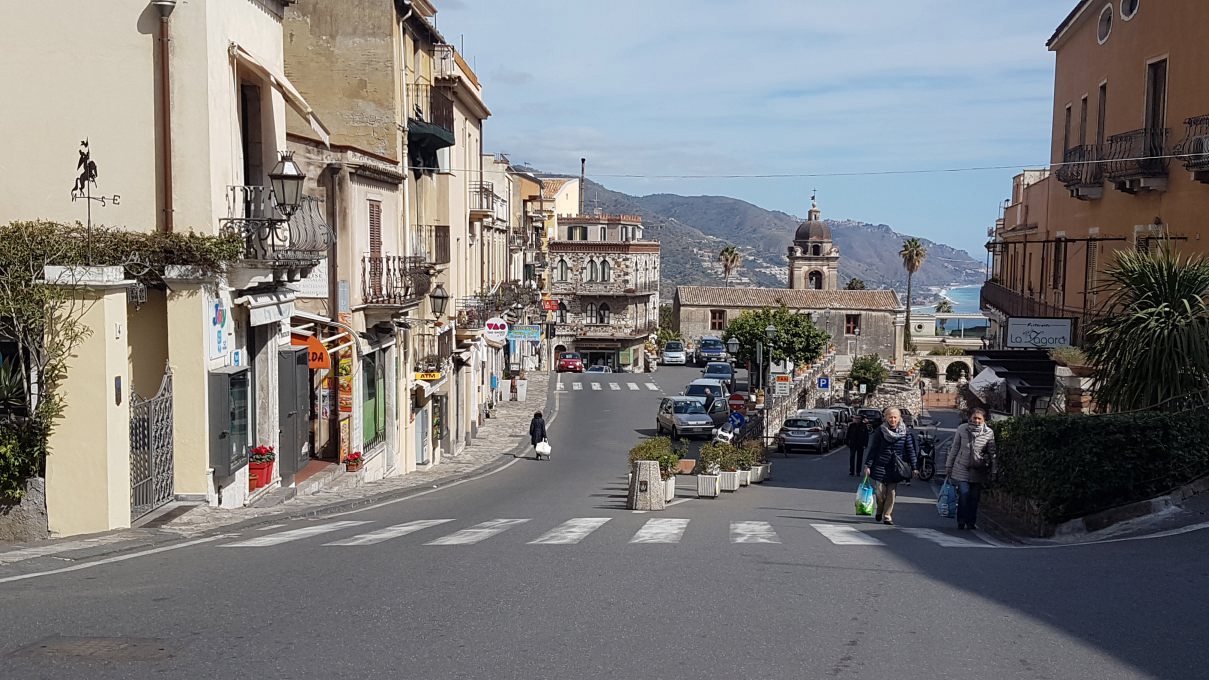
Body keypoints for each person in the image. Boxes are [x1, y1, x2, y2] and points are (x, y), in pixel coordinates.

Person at [863, 407, 918, 526]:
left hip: (895, 467)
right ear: (886, 418)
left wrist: (915, 467)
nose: (893, 420)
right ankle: (879, 510)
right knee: (879, 493)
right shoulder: (880, 431)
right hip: (880, 465)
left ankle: (887, 516)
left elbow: (910, 451)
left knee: (891, 493)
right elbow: (873, 449)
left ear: (899, 418)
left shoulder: (905, 432)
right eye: (890, 417)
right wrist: (868, 465)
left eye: (895, 417)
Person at [945, 407, 997, 530]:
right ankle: (961, 521)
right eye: (975, 418)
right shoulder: (962, 429)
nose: (977, 421)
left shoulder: (988, 433)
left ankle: (971, 522)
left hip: (978, 469)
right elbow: (955, 447)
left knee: (974, 497)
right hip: (961, 467)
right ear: (971, 418)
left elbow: (992, 452)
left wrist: (994, 470)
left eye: (979, 418)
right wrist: (949, 464)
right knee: (963, 495)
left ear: (984, 419)